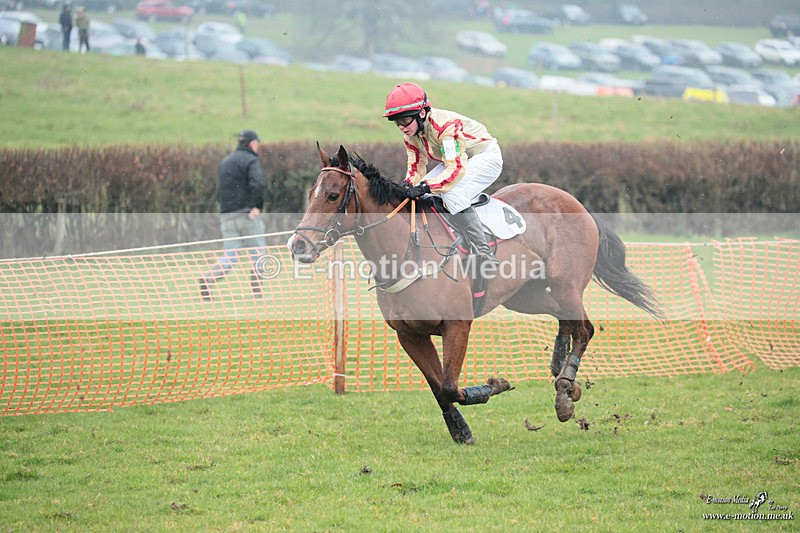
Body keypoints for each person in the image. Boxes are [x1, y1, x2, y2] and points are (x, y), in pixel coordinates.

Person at [383, 82, 502, 265]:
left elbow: (454, 170)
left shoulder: (446, 126)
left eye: (405, 120)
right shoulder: (410, 136)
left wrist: (426, 186)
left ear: (421, 113)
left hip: (486, 157)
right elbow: (415, 168)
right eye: (397, 122)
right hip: (462, 159)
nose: (402, 127)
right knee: (423, 186)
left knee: (450, 192)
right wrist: (408, 184)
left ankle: (484, 252)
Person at [199, 130, 267, 301]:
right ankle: (257, 291)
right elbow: (258, 184)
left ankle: (208, 279)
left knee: (230, 256)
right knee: (259, 253)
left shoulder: (226, 161)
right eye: (257, 144)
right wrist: (256, 206)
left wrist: (226, 210)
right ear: (252, 144)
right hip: (247, 215)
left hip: (227, 215)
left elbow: (220, 190)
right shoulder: (252, 160)